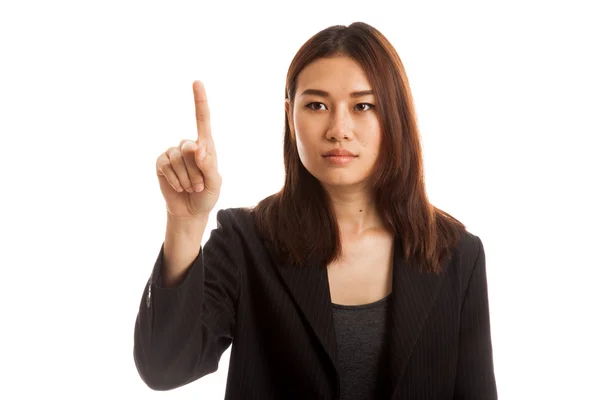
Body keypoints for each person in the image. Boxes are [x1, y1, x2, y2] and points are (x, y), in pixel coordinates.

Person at [133, 21, 498, 400]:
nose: (339, 129)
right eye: (317, 105)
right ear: (291, 116)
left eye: (363, 106)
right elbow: (163, 368)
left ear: (395, 116)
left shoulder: (457, 254)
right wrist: (186, 223)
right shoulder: (245, 241)